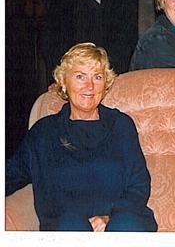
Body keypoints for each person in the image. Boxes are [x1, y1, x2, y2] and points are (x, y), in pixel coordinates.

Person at [6, 42, 157, 232]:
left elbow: (139, 184)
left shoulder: (121, 125)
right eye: (80, 77)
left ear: (106, 83)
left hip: (122, 221)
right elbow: (10, 175)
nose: (89, 86)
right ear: (63, 82)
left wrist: (109, 218)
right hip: (66, 228)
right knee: (71, 226)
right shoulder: (43, 133)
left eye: (97, 77)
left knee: (125, 225)